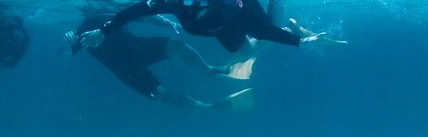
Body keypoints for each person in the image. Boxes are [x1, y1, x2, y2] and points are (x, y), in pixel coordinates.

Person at [62, 14, 255, 109]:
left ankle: (209, 70)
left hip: (137, 50)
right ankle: (211, 106)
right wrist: (69, 42)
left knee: (177, 45)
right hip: (125, 68)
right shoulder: (86, 26)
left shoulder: (114, 10)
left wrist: (171, 24)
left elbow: (147, 16)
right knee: (162, 94)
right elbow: (65, 54)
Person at [75, 0, 328, 56]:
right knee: (244, 52)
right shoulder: (172, 2)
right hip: (217, 28)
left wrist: (298, 41)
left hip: (239, 18)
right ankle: (289, 28)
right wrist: (103, 31)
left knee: (265, 29)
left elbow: (262, 31)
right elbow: (135, 10)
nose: (192, 6)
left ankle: (284, 14)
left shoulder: (232, 6)